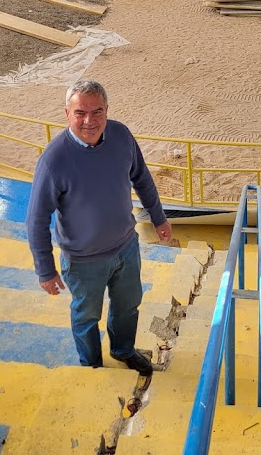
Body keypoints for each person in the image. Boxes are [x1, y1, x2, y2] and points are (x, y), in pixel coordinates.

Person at [27, 79, 173, 374]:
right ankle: (92, 365)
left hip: (126, 248)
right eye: (80, 112)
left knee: (128, 307)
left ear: (107, 111)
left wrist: (158, 217)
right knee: (86, 317)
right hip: (83, 261)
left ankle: (123, 351)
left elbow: (141, 177)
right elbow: (36, 219)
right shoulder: (54, 161)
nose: (89, 121)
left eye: (97, 112)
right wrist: (46, 269)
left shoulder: (121, 136)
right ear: (66, 113)